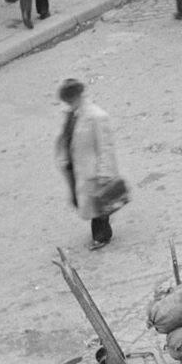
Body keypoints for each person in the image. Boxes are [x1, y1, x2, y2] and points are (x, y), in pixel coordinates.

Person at [55, 78, 125, 251]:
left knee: (99, 205)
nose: (69, 103)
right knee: (83, 201)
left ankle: (102, 236)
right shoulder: (72, 114)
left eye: (71, 99)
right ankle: (100, 233)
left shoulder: (96, 117)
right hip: (77, 168)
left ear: (78, 96)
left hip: (93, 172)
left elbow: (105, 148)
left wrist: (104, 174)